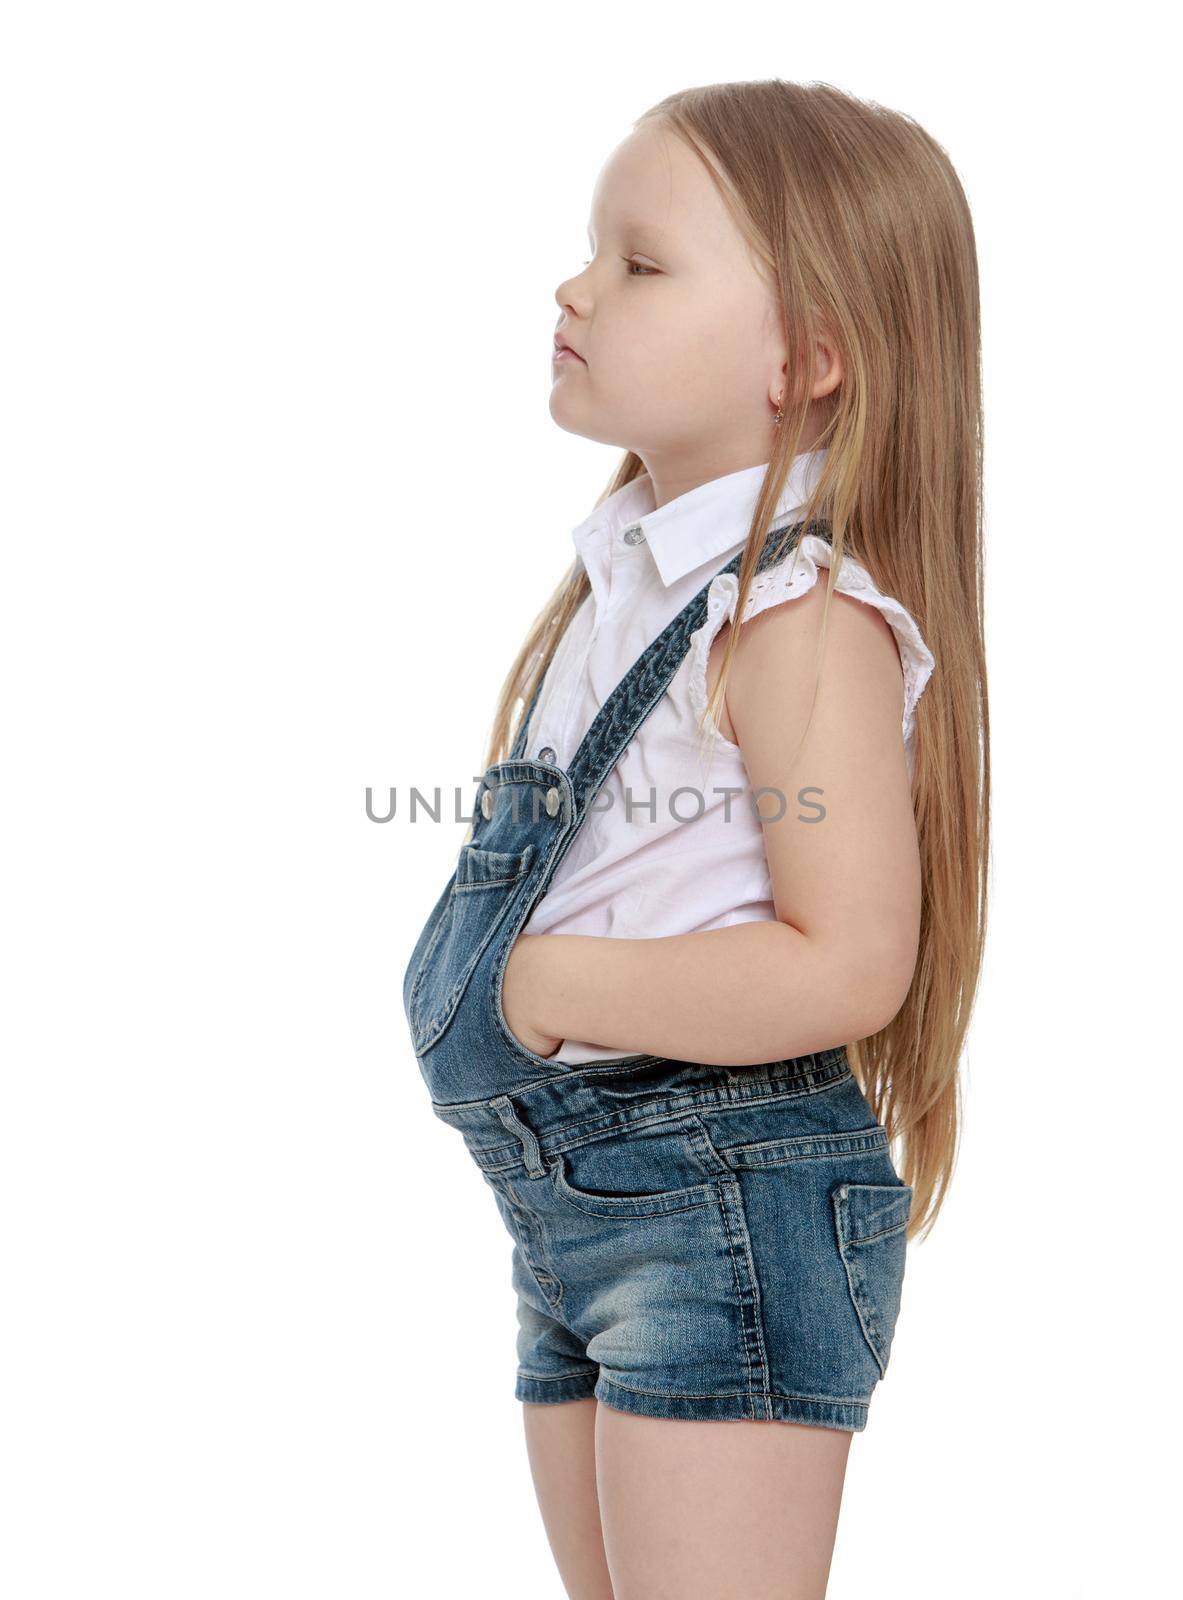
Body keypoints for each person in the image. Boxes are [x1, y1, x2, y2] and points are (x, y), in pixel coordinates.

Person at [402, 77, 987, 1600]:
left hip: (716, 1194)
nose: (575, 287)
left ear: (811, 355)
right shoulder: (629, 584)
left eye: (640, 264)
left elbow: (851, 962)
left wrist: (543, 991)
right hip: (575, 1204)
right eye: (592, 251)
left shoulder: (796, 622)